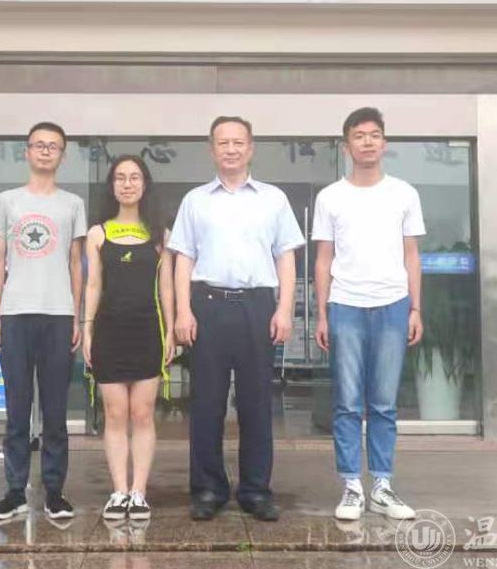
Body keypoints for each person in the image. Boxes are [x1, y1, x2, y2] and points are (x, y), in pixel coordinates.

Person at [169, 116, 305, 522]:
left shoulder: (273, 199)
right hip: (207, 305)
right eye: (223, 142)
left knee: (256, 403)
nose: (231, 149)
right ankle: (208, 490)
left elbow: (286, 257)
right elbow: (183, 258)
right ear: (211, 149)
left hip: (257, 306)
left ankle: (255, 490)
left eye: (238, 142)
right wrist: (183, 310)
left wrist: (284, 308)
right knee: (206, 403)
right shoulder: (195, 200)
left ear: (251, 148)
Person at [312, 107, 425, 522]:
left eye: (374, 135)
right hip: (345, 305)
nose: (367, 142)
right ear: (346, 146)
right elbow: (323, 259)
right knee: (346, 402)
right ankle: (351, 486)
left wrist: (416, 308)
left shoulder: (404, 193)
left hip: (393, 305)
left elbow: (412, 256)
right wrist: (322, 314)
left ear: (384, 143)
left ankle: (381, 485)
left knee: (383, 402)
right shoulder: (330, 197)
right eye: (359, 136)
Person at [0, 122, 86, 521]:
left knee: (56, 411)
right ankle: (15, 491)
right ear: (27, 151)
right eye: (39, 145)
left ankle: (55, 492)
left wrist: (77, 315)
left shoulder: (72, 204)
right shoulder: (6, 201)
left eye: (53, 146)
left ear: (62, 155)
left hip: (59, 315)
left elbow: (76, 263)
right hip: (15, 314)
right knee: (17, 410)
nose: (45, 151)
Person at [83, 155, 175, 521]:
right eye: (120, 178)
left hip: (147, 332)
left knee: (142, 413)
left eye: (134, 177)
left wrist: (171, 332)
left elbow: (166, 288)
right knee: (115, 413)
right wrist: (86, 329)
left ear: (145, 184)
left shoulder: (160, 235)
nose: (127, 184)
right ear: (112, 186)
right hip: (108, 332)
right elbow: (93, 285)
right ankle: (119, 491)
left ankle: (139, 492)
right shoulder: (98, 233)